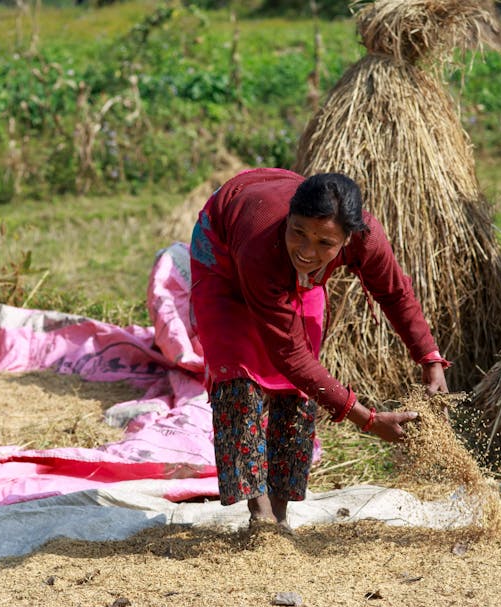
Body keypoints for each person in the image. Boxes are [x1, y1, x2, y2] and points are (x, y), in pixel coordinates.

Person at [189, 168, 449, 529]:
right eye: (299, 232)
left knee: (298, 390)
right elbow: (289, 354)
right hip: (225, 255)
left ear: (348, 239)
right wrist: (369, 421)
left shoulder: (367, 238)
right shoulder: (260, 244)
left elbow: (393, 292)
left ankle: (279, 514)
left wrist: (430, 358)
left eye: (325, 243)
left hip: (275, 256)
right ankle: (261, 518)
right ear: (289, 219)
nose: (308, 251)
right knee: (238, 381)